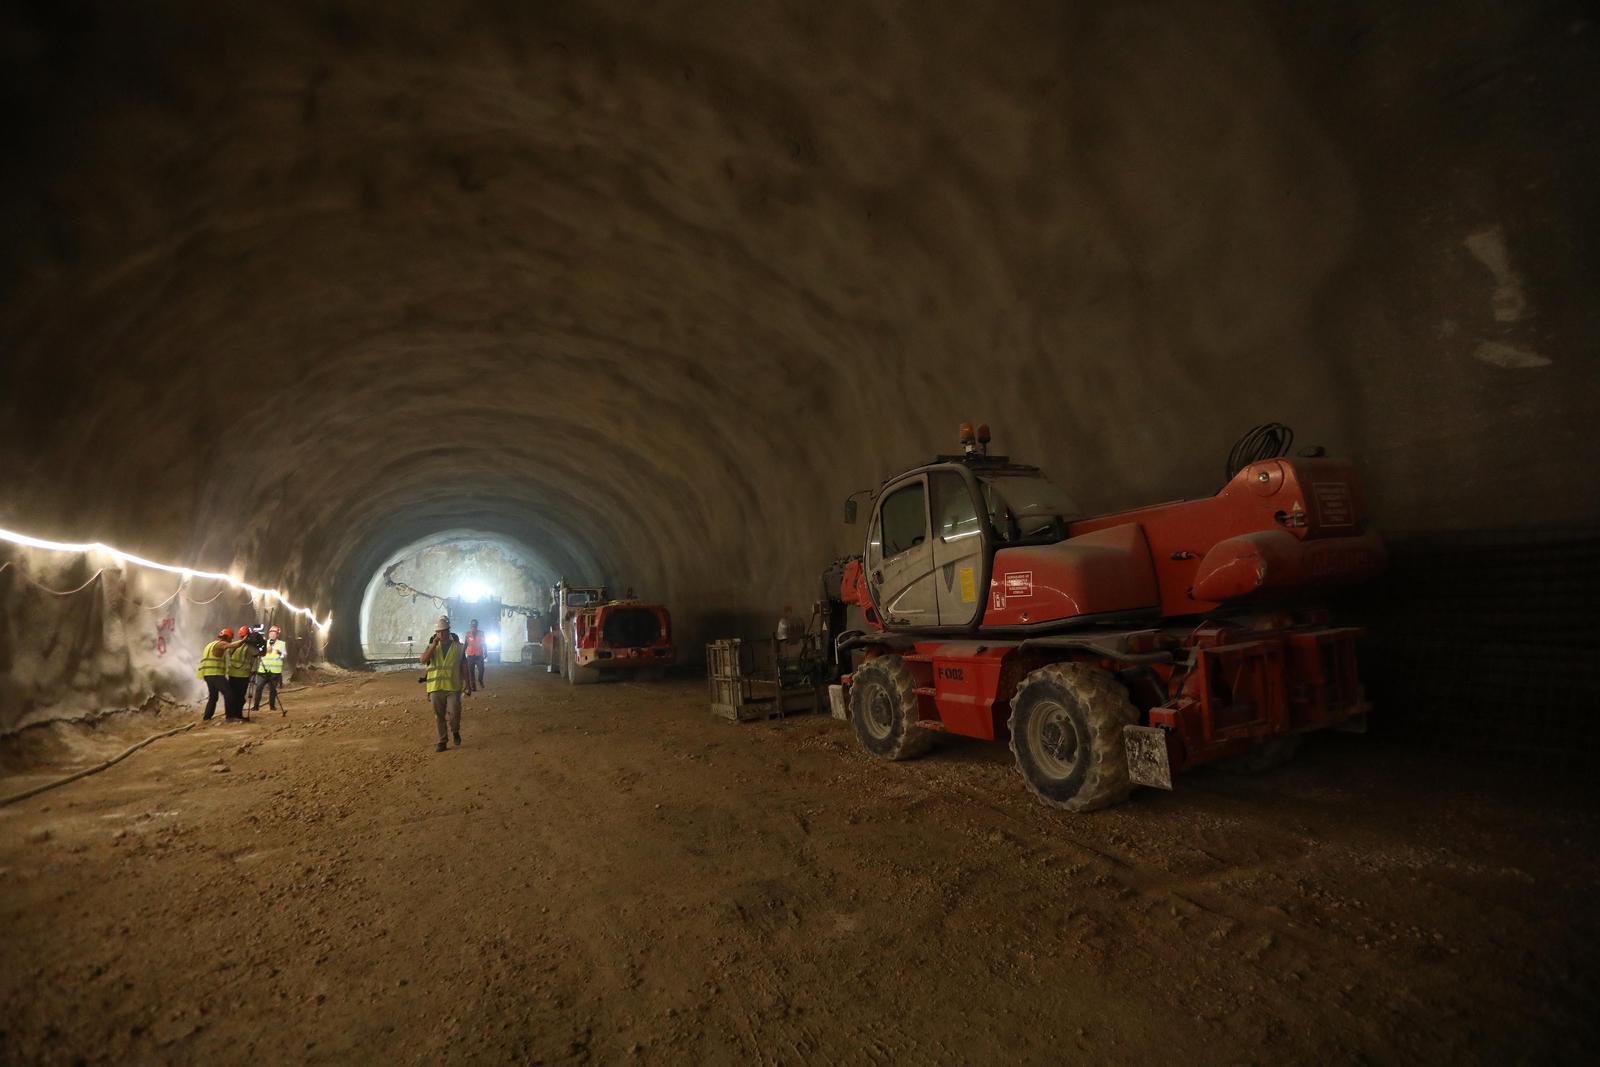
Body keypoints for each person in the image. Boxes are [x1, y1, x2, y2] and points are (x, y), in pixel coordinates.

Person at [420, 615, 466, 752]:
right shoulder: (432, 647)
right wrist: (434, 644)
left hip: (453, 687)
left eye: (444, 631)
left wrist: (468, 683)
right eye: (439, 632)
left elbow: (464, 665)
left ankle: (455, 730)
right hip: (436, 688)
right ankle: (442, 741)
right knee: (439, 716)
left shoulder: (458, 647)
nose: (441, 634)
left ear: (449, 631)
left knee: (454, 712)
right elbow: (423, 660)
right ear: (436, 633)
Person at [196, 628, 245, 721]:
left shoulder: (210, 644)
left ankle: (207, 717)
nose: (232, 639)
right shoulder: (221, 644)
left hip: (207, 675)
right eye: (231, 637)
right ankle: (230, 717)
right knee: (229, 693)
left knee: (213, 697)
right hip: (215, 674)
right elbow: (235, 645)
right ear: (227, 637)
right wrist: (245, 639)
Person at [223, 622, 259, 721]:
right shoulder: (249, 647)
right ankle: (238, 716)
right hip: (242, 676)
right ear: (248, 635)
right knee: (240, 697)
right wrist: (260, 643)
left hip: (232, 675)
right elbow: (259, 653)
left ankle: (230, 715)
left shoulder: (234, 645)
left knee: (232, 696)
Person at [252, 624, 287, 712]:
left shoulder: (282, 644)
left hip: (274, 672)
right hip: (263, 670)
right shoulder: (264, 643)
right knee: (259, 688)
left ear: (278, 634)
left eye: (274, 633)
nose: (272, 635)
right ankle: (256, 706)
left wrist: (279, 653)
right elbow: (257, 652)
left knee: (273, 690)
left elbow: (284, 655)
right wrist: (263, 650)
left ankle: (272, 706)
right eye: (271, 633)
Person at [463, 619, 487, 693]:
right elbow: (465, 644)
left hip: (479, 655)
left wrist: (486, 651)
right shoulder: (467, 634)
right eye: (472, 625)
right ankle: (473, 687)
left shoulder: (481, 633)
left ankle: (480, 680)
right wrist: (462, 653)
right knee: (471, 672)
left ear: (477, 625)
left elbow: (484, 643)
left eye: (475, 625)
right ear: (470, 626)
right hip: (470, 655)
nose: (474, 626)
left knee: (481, 670)